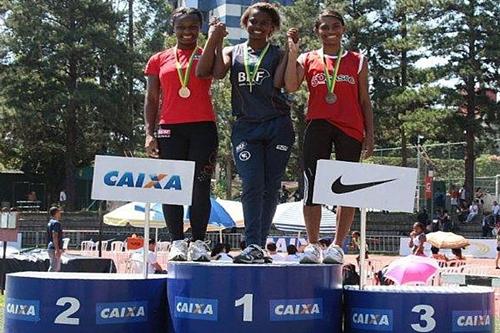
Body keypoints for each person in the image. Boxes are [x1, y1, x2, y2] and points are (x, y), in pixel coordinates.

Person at [197, 2, 294, 264]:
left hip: (278, 126)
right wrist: (215, 39)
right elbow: (212, 73)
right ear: (245, 24)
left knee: (270, 187)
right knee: (252, 184)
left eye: (264, 23)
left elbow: (285, 84)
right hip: (246, 128)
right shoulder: (233, 51)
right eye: (252, 21)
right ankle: (253, 243)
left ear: (272, 28)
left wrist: (293, 51)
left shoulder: (279, 53)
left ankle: (257, 247)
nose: (257, 26)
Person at [284, 10, 374, 264]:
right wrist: (292, 51)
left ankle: (337, 246)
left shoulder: (357, 60)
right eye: (324, 27)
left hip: (351, 128)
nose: (330, 31)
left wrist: (370, 133)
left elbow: (364, 100)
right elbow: (291, 85)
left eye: (335, 26)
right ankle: (312, 245)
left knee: (347, 190)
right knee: (312, 188)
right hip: (318, 125)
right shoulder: (308, 57)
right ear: (317, 31)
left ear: (343, 29)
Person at [143, 7, 218, 262]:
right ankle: (176, 241)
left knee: (200, 187)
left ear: (200, 28)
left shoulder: (207, 55)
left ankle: (198, 242)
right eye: (181, 27)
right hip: (169, 129)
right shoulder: (158, 59)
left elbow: (218, 72)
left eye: (192, 27)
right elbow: (152, 98)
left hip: (203, 128)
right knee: (170, 188)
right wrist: (149, 133)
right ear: (173, 29)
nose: (187, 32)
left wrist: (215, 39)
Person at [47, 207, 63, 272]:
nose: (60, 214)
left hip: (51, 247)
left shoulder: (50, 222)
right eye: (59, 212)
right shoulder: (56, 223)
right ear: (56, 213)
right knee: (54, 268)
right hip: (54, 248)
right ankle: (48, 281)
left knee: (55, 267)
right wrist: (57, 249)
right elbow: (55, 236)